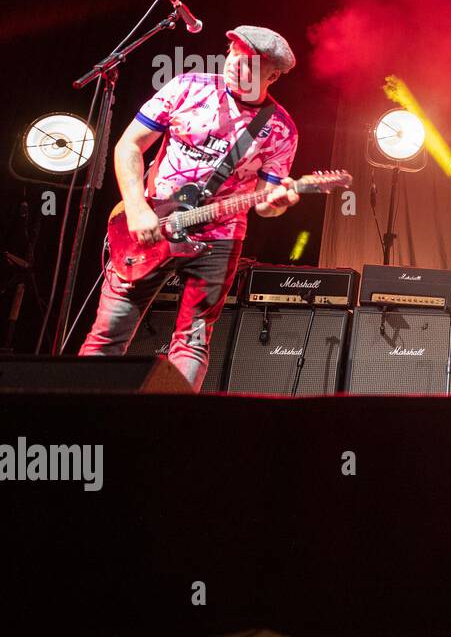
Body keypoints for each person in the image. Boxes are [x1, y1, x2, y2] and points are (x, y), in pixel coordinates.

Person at [79, 26, 301, 388]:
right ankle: (76, 418)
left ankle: (171, 426)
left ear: (273, 76)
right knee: (108, 333)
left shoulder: (281, 129)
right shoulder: (187, 87)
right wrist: (136, 208)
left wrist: (279, 204)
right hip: (152, 224)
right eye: (232, 54)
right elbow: (129, 146)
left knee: (192, 342)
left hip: (220, 237)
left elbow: (265, 204)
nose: (234, 66)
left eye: (248, 65)